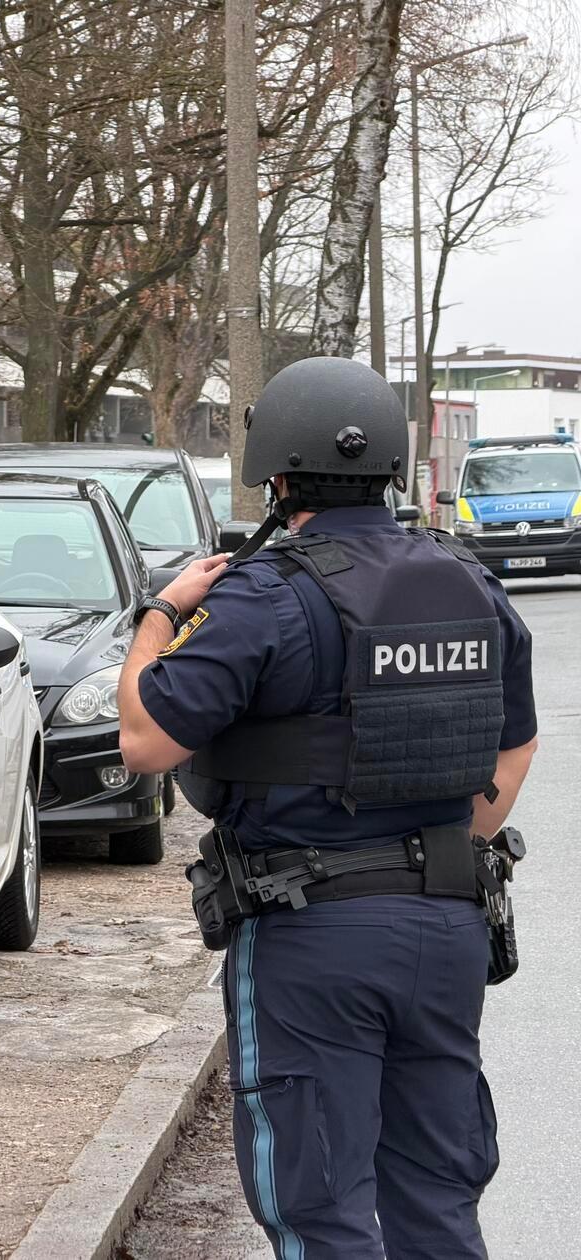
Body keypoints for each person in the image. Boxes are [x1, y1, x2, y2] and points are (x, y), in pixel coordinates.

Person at [116, 356, 538, 1259]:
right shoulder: (471, 583)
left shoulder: (261, 596)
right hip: (448, 928)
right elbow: (516, 744)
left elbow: (147, 740)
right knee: (437, 1194)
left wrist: (161, 611)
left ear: (277, 474)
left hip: (313, 935)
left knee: (319, 1203)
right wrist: (438, 846)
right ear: (389, 465)